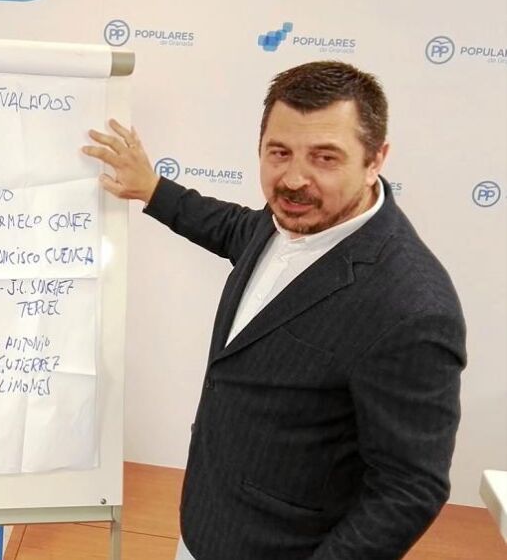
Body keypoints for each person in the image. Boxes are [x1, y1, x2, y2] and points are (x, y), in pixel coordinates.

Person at [83, 61, 466, 559]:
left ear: (375, 160)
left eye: (325, 157)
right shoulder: (292, 215)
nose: (293, 179)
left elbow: (408, 490)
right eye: (279, 152)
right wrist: (153, 189)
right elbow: (236, 229)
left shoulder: (411, 308)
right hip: (207, 522)